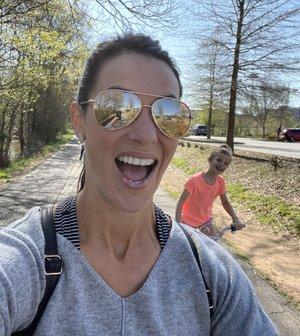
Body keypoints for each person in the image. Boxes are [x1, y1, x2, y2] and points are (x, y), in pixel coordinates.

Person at [0, 34, 277, 335]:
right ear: (79, 120)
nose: (145, 134)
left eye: (168, 113)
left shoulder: (211, 273)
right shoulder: (24, 259)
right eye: (116, 106)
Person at [175, 144, 245, 237]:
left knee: (211, 242)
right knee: (187, 247)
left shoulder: (220, 182)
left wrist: (235, 219)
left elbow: (225, 202)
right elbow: (180, 202)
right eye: (218, 160)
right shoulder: (194, 180)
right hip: (187, 220)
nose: (222, 164)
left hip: (205, 221)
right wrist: (179, 223)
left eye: (225, 163)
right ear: (210, 159)